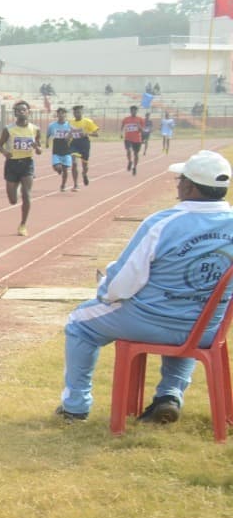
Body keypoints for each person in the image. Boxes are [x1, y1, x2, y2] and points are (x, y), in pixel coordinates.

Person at [56, 149, 233, 424]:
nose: (178, 185)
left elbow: (123, 282)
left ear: (189, 185)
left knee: (80, 322)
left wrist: (104, 291)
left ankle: (75, 407)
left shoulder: (162, 223)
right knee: (194, 316)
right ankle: (170, 395)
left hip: (149, 321)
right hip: (207, 329)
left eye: (180, 180)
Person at [0, 99, 42, 236]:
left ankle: (23, 224)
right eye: (18, 110)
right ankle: (15, 189)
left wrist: (37, 148)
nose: (21, 112)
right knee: (13, 200)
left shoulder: (35, 129)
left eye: (24, 110)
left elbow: (39, 150)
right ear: (15, 113)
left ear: (29, 112)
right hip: (12, 164)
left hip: (27, 163)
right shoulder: (8, 129)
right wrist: (5, 152)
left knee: (27, 195)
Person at [47, 107, 76, 193]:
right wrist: (47, 143)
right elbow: (48, 134)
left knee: (65, 170)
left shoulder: (69, 125)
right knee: (57, 167)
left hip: (67, 149)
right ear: (57, 115)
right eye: (59, 113)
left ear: (65, 115)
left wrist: (70, 135)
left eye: (63, 113)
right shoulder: (52, 125)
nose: (61, 115)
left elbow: (76, 133)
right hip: (56, 148)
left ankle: (63, 185)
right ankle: (58, 169)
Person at [68, 104, 99, 187]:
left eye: (78, 112)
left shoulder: (87, 121)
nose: (76, 114)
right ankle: (75, 184)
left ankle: (84, 174)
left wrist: (87, 134)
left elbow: (96, 134)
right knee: (74, 163)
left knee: (85, 165)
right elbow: (69, 132)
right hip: (74, 143)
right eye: (75, 113)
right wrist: (68, 137)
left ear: (82, 112)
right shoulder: (70, 122)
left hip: (84, 144)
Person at [120, 105, 145, 175]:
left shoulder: (140, 119)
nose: (133, 111)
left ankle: (134, 167)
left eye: (135, 110)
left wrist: (138, 125)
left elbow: (142, 130)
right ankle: (130, 161)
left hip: (137, 140)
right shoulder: (126, 119)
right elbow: (122, 127)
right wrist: (121, 133)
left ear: (136, 111)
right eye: (132, 110)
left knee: (136, 154)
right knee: (128, 150)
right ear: (130, 111)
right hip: (128, 138)